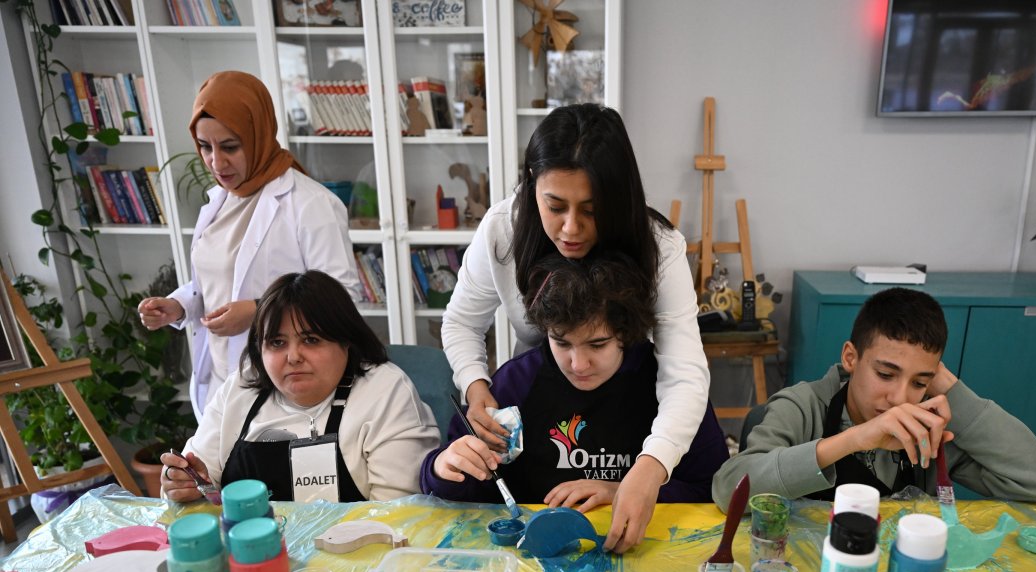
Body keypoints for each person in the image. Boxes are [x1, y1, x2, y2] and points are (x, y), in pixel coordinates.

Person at [440, 104, 710, 553]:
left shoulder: (658, 247)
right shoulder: (502, 231)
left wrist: (650, 468)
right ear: (531, 185)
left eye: (591, 209)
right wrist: (474, 385)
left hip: (625, 408)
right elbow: (462, 322)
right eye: (555, 206)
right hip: (538, 396)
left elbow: (684, 373)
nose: (571, 228)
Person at [422, 254, 727, 519]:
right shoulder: (516, 383)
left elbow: (715, 488)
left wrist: (626, 490)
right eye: (562, 342)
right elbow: (453, 490)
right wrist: (443, 468)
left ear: (625, 334)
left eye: (597, 344)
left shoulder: (672, 387)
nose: (578, 364)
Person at [137, 71, 360, 420]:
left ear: (258, 134)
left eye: (229, 147)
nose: (216, 162)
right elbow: (219, 282)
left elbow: (343, 296)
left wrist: (260, 311)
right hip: (222, 379)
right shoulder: (219, 202)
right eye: (204, 147)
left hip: (287, 386)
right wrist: (179, 305)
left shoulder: (310, 203)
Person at [712, 287, 1036, 510]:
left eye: (919, 382)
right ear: (851, 357)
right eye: (886, 374)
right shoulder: (803, 407)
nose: (899, 398)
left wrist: (949, 388)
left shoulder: (927, 427)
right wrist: (852, 440)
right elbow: (730, 489)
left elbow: (1035, 481)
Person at [160, 270, 440, 503]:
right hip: (253, 556)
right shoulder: (241, 388)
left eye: (311, 340)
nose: (293, 357)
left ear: (346, 341)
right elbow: (198, 479)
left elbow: (399, 513)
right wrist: (182, 485)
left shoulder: (385, 391)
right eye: (277, 343)